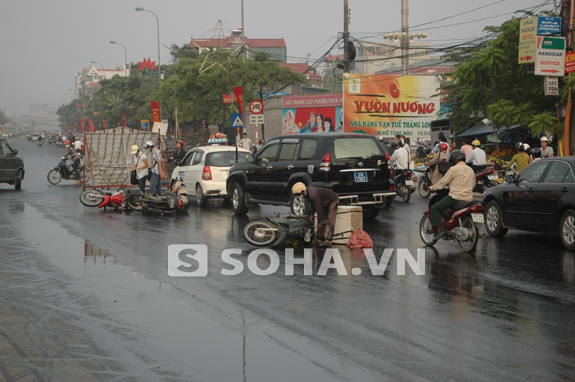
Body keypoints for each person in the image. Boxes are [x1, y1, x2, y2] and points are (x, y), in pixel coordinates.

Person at [429, 150, 476, 236]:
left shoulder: (453, 169)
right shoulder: (470, 169)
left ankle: (441, 230)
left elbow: (443, 182)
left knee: (434, 208)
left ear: (454, 159)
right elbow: (473, 185)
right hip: (469, 198)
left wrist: (432, 188)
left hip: (455, 197)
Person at [292, 182, 339, 247]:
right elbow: (312, 204)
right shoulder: (307, 194)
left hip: (332, 200)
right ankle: (319, 238)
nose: (298, 195)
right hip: (324, 202)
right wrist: (312, 214)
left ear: (302, 191)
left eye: (298, 194)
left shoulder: (312, 195)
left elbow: (319, 210)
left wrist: (319, 221)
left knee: (330, 221)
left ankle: (328, 240)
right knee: (322, 221)